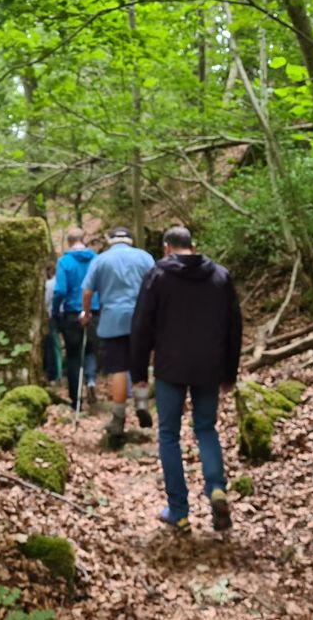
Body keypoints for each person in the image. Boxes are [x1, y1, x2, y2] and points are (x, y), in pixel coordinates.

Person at [130, 226, 242, 533]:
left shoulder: (157, 276)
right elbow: (234, 326)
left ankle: (179, 512)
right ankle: (216, 488)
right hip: (210, 367)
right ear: (193, 246)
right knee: (205, 428)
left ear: (167, 248)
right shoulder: (220, 276)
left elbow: (141, 326)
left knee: (169, 434)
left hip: (171, 367)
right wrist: (230, 372)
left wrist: (138, 374)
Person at [80, 225, 155, 438]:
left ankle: (119, 417)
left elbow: (87, 291)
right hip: (141, 319)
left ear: (110, 240)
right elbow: (156, 286)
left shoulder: (100, 260)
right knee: (140, 364)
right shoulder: (145, 257)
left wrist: (86, 314)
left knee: (119, 369)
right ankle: (142, 404)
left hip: (112, 320)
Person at [52, 228, 100, 410]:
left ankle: (76, 400)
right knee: (90, 350)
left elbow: (60, 290)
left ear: (69, 242)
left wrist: (55, 311)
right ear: (83, 240)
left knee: (73, 356)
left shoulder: (64, 261)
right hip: (93, 311)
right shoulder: (96, 259)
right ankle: (91, 380)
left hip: (72, 313)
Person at [42, 261, 61, 384]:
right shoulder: (61, 282)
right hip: (65, 313)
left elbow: (46, 301)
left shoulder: (48, 284)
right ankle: (60, 372)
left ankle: (55, 374)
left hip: (53, 315)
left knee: (54, 345)